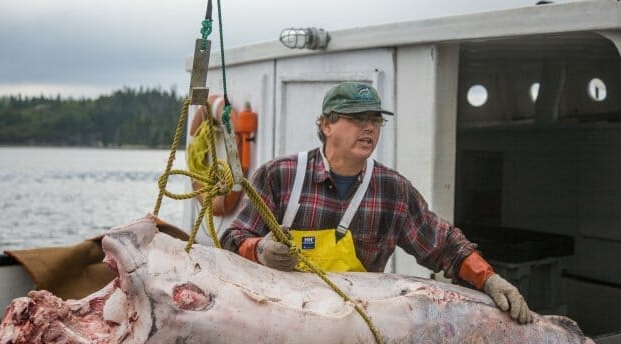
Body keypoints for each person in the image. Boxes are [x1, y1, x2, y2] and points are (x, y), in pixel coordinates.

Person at [220, 81, 532, 324]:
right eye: (357, 118)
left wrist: (488, 278)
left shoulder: (392, 190)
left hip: (357, 327)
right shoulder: (280, 175)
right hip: (284, 320)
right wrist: (260, 250)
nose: (369, 127)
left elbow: (444, 246)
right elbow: (232, 239)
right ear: (326, 125)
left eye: (375, 120)